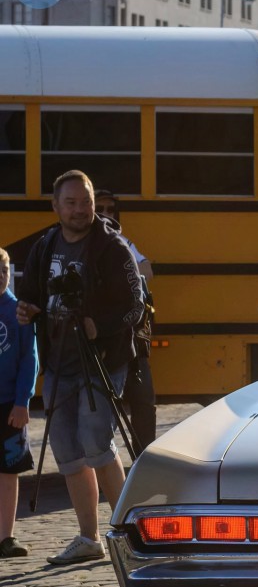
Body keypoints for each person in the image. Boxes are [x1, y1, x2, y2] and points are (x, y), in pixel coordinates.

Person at [16, 170, 143, 565]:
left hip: (100, 361)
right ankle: (89, 538)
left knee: (97, 445)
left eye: (85, 201)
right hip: (58, 362)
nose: (80, 210)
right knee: (68, 452)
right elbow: (32, 295)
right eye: (70, 203)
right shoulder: (46, 245)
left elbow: (135, 304)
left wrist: (97, 326)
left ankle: (128, 532)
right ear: (55, 207)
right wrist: (28, 310)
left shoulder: (111, 247)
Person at [94, 190, 156, 455]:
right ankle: (102, 460)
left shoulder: (123, 243)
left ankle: (142, 458)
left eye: (110, 209)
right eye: (100, 208)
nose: (106, 214)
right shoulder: (84, 245)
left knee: (143, 400)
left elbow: (147, 270)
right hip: (100, 339)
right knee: (100, 405)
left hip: (131, 337)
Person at [0, 248, 38, 559]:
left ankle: (6, 536)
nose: (0, 277)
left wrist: (22, 401)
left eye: (3, 270)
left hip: (9, 405)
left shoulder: (19, 312)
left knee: (8, 470)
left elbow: (30, 359)